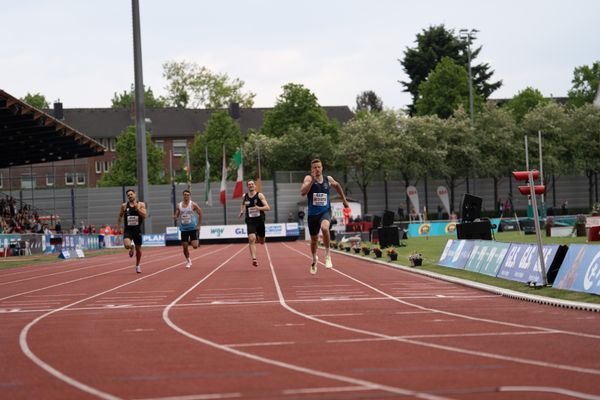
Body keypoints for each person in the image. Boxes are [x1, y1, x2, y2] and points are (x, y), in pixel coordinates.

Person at [300, 159, 349, 274]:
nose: (317, 169)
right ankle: (314, 259)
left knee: (325, 228)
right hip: (312, 215)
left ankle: (327, 255)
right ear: (311, 169)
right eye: (314, 168)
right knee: (314, 241)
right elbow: (302, 192)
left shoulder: (328, 179)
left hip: (325, 212)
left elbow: (337, 186)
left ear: (322, 168)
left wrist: (344, 200)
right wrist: (312, 181)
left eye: (319, 167)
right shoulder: (308, 179)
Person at [238, 180, 270, 267]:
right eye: (249, 184)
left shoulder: (260, 195)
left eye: (252, 184)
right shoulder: (245, 196)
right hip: (250, 221)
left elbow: (267, 208)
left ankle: (261, 237)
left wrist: (259, 208)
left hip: (260, 221)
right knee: (251, 238)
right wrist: (241, 210)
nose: (251, 185)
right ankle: (254, 258)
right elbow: (242, 204)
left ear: (255, 186)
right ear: (247, 187)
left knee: (262, 241)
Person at [117, 189, 147, 274]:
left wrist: (138, 209)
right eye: (128, 195)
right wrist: (119, 228)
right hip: (128, 230)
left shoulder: (141, 204)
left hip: (137, 230)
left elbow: (144, 215)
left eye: (131, 194)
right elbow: (120, 217)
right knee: (127, 245)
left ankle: (137, 265)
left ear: (135, 194)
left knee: (139, 250)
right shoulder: (124, 206)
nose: (130, 196)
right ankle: (131, 247)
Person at [174, 189, 203, 268]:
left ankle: (196, 239)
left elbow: (200, 213)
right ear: (183, 195)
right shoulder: (179, 205)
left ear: (190, 196)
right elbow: (176, 214)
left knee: (195, 246)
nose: (186, 196)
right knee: (185, 246)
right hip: (183, 228)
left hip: (192, 228)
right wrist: (175, 217)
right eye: (185, 195)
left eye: (187, 195)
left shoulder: (193, 204)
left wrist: (199, 225)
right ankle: (188, 261)